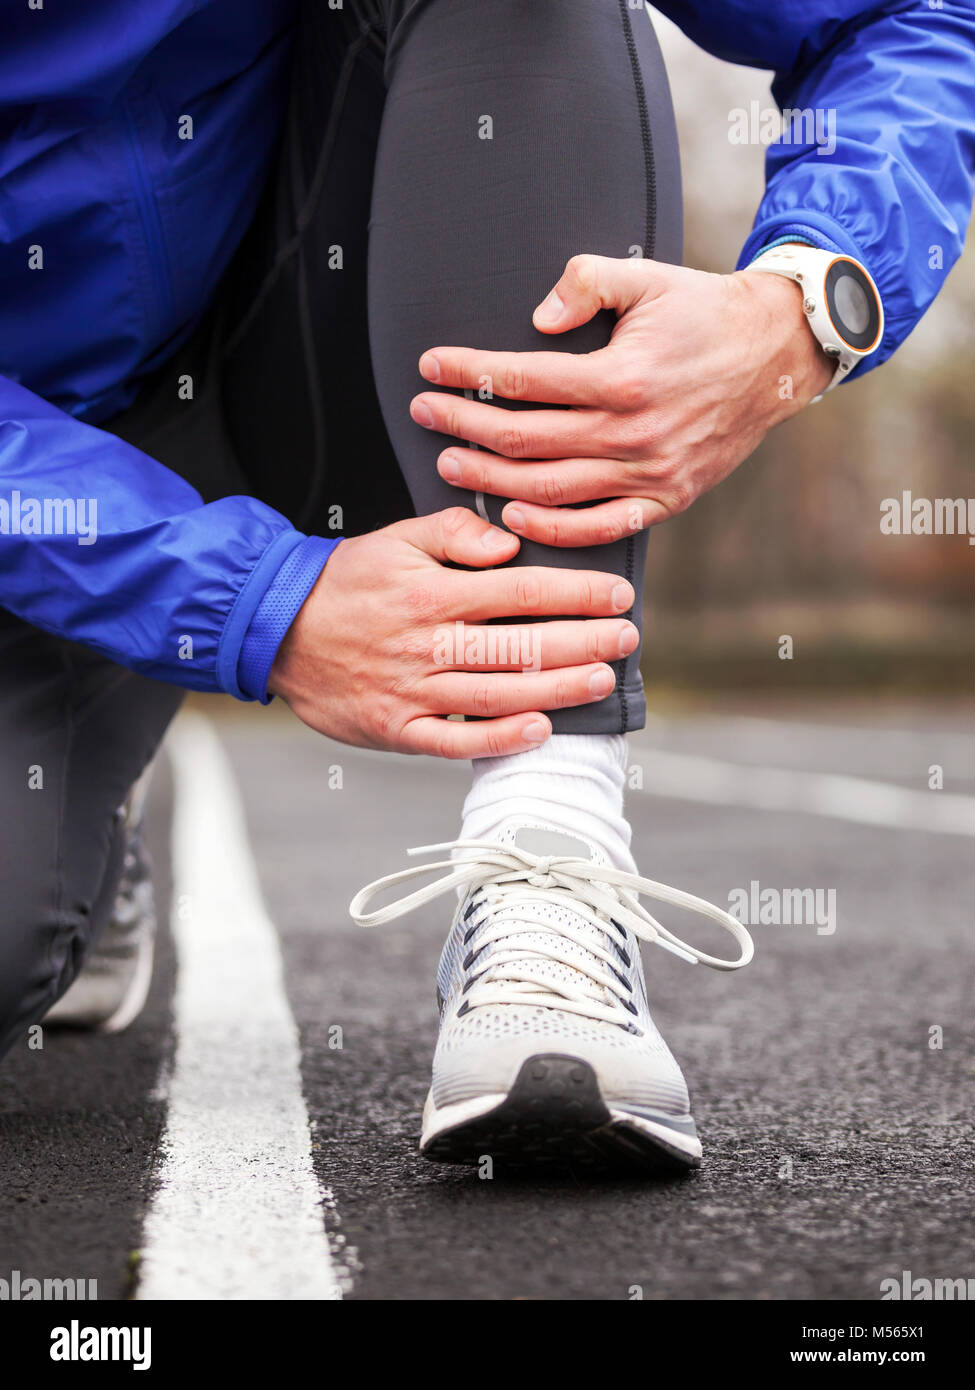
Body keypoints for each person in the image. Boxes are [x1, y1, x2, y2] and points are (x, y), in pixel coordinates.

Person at [1, 0, 972, 1171]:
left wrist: (804, 306)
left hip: (306, 333)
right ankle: (85, 783)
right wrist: (250, 600)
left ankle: (548, 850)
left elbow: (910, 12)